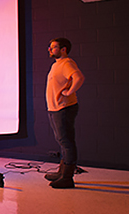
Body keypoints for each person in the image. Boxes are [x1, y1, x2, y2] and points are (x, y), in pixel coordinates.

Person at [43, 37, 85, 188]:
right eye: (50, 46)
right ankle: (62, 172)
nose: (50, 49)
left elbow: (79, 78)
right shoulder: (57, 65)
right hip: (55, 108)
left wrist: (69, 92)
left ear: (63, 49)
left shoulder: (67, 63)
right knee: (62, 141)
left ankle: (67, 178)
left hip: (64, 108)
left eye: (53, 47)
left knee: (67, 142)